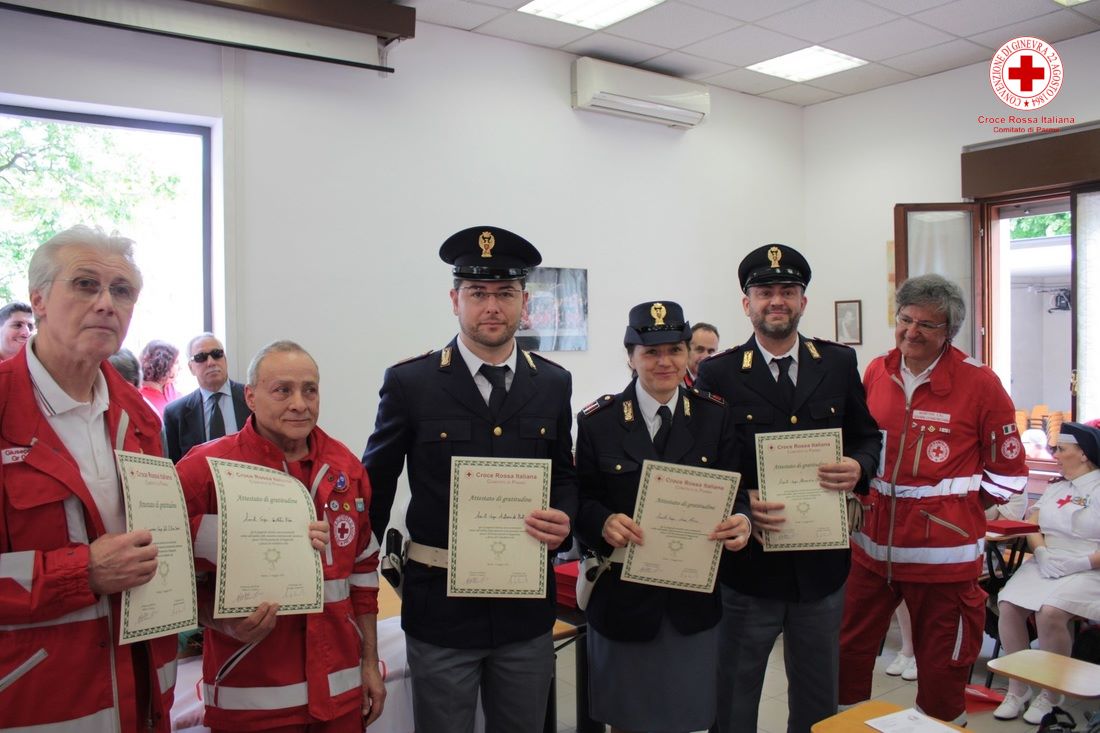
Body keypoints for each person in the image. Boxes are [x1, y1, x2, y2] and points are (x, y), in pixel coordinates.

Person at [362, 226, 577, 733]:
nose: (492, 307)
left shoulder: (552, 382)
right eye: (478, 293)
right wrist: (355, 577)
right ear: (454, 300)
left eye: (506, 293)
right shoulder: (411, 382)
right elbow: (376, 484)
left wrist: (565, 518)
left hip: (525, 610)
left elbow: (564, 473)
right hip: (441, 609)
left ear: (524, 302)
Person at [696, 243, 882, 733]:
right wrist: (741, 501)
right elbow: (704, 460)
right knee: (733, 698)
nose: (776, 300)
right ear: (747, 304)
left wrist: (859, 466)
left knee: (818, 698)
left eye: (787, 290)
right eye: (764, 292)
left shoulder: (837, 363)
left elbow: (867, 436)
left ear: (803, 301)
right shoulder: (718, 372)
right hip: (749, 568)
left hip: (821, 569)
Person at [0, 225, 177, 730]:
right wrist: (82, 573)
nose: (105, 304)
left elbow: (161, 545)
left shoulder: (140, 418)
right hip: (39, 705)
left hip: (144, 698)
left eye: (121, 291)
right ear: (38, 299)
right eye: (85, 284)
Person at [838, 274, 1029, 725]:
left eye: (927, 324)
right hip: (870, 552)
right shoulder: (876, 371)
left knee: (943, 667)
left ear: (949, 332)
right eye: (906, 319)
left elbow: (1009, 475)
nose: (912, 331)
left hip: (943, 560)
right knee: (844, 654)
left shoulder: (980, 384)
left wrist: (955, 511)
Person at [177, 340, 384, 731]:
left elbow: (363, 573)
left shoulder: (346, 469)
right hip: (252, 701)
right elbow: (165, 572)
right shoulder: (204, 470)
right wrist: (221, 621)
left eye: (310, 390)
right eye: (282, 390)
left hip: (339, 697)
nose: (299, 404)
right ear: (250, 397)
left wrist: (370, 664)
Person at [576, 300, 751, 733]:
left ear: (688, 354)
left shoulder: (713, 415)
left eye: (675, 350)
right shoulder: (599, 421)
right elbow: (579, 498)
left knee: (687, 715)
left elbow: (736, 491)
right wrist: (602, 522)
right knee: (628, 718)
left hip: (691, 600)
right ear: (631, 356)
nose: (664, 362)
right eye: (651, 352)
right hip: (624, 599)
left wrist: (742, 521)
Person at [994, 421, 1100, 723]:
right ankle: (1018, 687)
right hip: (1048, 560)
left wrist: (1082, 563)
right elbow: (1033, 524)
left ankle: (1052, 692)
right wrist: (1040, 551)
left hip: (1090, 567)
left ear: (1083, 454)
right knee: (1008, 605)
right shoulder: (1056, 488)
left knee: (1050, 612)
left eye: (1061, 449)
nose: (1055, 455)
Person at [162, 333, 251, 462]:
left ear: (225, 360)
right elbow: (175, 465)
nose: (211, 362)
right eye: (201, 357)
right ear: (191, 368)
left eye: (217, 354)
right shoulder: (175, 413)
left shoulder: (253, 397)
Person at [139, 339, 180, 416]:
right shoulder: (140, 397)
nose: (180, 368)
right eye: (176, 362)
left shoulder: (170, 387)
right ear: (162, 364)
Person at [684, 321, 719, 388]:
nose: (705, 357)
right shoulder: (675, 382)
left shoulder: (718, 383)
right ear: (687, 349)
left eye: (711, 351)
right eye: (700, 350)